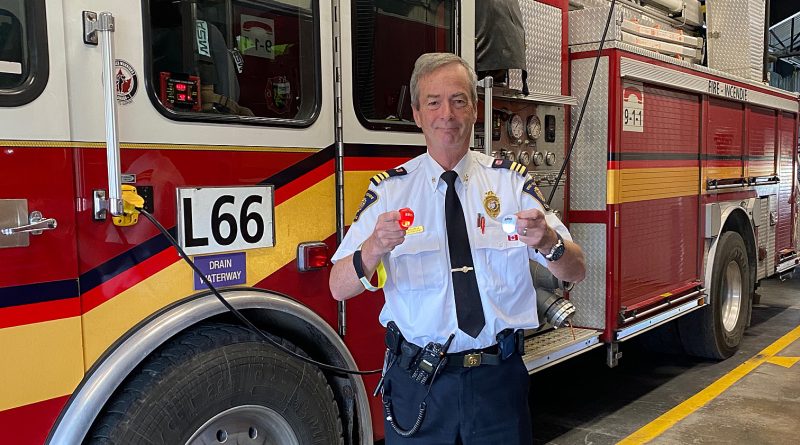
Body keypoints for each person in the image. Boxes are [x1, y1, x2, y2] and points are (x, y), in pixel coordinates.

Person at [329, 52, 586, 444]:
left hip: (497, 382)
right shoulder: (389, 192)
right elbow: (337, 286)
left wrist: (550, 243)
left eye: (459, 100)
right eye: (433, 102)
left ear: (475, 110)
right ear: (417, 114)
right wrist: (373, 248)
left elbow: (576, 270)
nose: (446, 113)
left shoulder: (511, 185)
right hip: (419, 383)